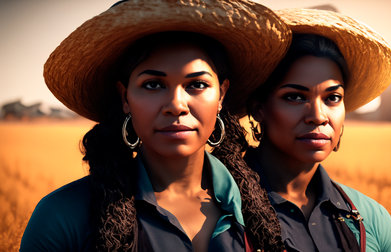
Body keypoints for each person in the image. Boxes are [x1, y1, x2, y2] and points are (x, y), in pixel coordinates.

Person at [20, 0, 291, 251]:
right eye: (153, 84)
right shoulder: (63, 215)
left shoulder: (268, 209)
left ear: (221, 95)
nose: (176, 104)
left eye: (196, 84)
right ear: (125, 97)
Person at [243, 8, 391, 252]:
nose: (318, 116)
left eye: (332, 98)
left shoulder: (372, 221)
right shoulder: (217, 214)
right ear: (258, 108)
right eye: (295, 97)